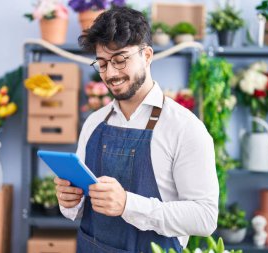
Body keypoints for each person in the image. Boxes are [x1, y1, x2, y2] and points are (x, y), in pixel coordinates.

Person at [54, 6, 219, 253]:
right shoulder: (94, 123)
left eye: (120, 60)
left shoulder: (184, 127)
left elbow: (205, 217)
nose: (110, 73)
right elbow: (78, 208)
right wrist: (69, 201)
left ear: (147, 55)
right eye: (102, 63)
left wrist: (127, 204)